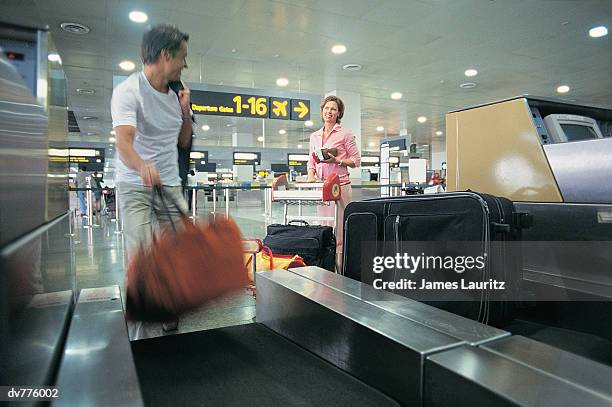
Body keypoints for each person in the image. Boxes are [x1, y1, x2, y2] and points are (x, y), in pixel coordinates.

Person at [111, 24, 192, 336]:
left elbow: (183, 142)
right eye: (182, 57)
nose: (185, 63)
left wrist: (185, 111)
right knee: (142, 255)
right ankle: (141, 331)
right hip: (134, 185)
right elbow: (124, 144)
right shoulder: (128, 92)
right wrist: (143, 166)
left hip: (169, 183)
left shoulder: (175, 94)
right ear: (164, 55)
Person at [307, 95, 361, 270]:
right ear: (322, 110)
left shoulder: (345, 134)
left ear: (339, 113)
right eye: (326, 108)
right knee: (325, 227)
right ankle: (327, 267)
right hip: (323, 187)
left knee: (339, 231)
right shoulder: (314, 136)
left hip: (340, 187)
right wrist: (311, 175)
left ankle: (342, 271)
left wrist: (338, 161)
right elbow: (311, 160)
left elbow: (356, 160)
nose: (329, 112)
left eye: (333, 109)